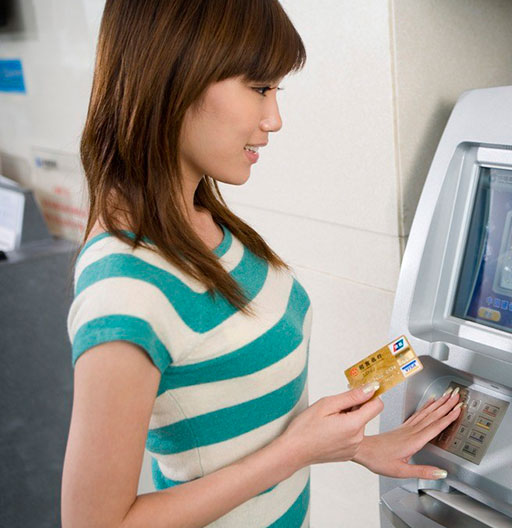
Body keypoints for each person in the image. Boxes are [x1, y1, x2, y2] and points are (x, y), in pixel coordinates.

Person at [60, 1, 462, 526]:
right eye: (259, 88)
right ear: (174, 74)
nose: (274, 119)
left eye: (277, 90)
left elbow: (235, 411)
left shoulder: (201, 218)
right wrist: (297, 450)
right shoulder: (126, 287)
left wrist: (353, 446)